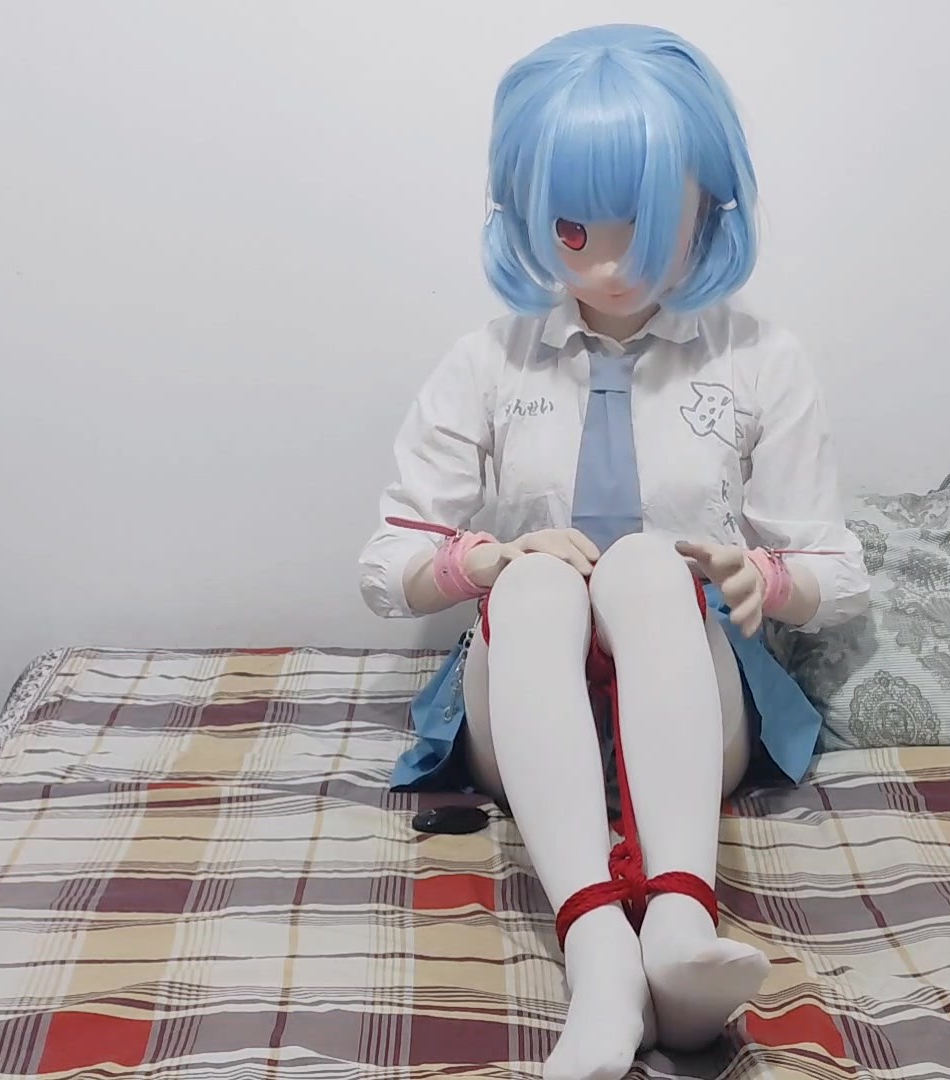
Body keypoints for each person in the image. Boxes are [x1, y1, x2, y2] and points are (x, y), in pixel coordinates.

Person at [356, 24, 868, 1080]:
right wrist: (483, 562)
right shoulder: (488, 361)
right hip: (528, 711)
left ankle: (679, 924)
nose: (609, 262)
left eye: (649, 225)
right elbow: (386, 565)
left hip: (693, 702)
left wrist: (761, 578)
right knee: (540, 579)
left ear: (709, 206)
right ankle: (600, 956)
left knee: (644, 564)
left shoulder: (761, 359)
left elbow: (839, 574)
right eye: (573, 227)